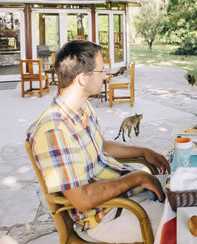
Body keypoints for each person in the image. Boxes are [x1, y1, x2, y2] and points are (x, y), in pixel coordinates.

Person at [26, 40, 170, 243]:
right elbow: (82, 199)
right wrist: (137, 178)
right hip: (107, 216)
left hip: (129, 196)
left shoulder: (82, 107)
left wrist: (143, 151)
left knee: (190, 197)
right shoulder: (53, 131)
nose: (105, 75)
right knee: (183, 229)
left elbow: (98, 146)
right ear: (82, 78)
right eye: (101, 70)